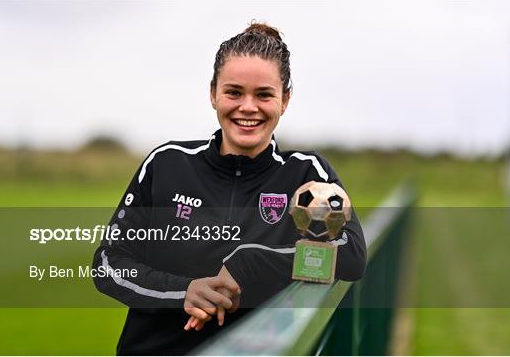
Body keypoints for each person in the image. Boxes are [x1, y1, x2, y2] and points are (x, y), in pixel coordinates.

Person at [92, 22, 367, 355]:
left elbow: (350, 255)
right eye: (234, 92)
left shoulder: (307, 175)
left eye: (264, 94)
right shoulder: (167, 163)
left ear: (285, 100)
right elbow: (109, 262)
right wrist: (184, 292)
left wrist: (253, 264)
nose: (247, 107)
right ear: (213, 94)